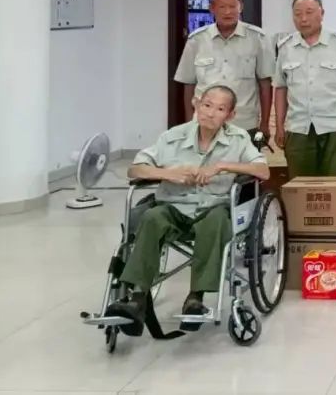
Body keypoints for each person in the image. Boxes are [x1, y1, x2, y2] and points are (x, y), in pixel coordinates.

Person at [106, 85, 269, 334]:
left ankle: (195, 298)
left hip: (212, 209)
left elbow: (262, 171)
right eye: (207, 105)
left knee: (216, 221)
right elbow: (135, 169)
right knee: (151, 217)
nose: (210, 113)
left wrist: (222, 167)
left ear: (230, 115)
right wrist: (168, 174)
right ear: (197, 104)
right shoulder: (173, 136)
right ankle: (137, 300)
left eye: (220, 109)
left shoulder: (238, 139)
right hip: (173, 207)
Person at [273, 0, 336, 176]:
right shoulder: (285, 47)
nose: (303, 19)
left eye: (309, 12)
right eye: (297, 13)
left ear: (322, 13)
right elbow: (281, 88)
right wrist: (279, 125)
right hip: (298, 126)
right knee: (300, 184)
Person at [174, 0, 274, 138]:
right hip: (204, 123)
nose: (228, 12)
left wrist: (265, 123)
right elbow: (188, 84)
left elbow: (265, 84)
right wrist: (189, 123)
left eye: (232, 6)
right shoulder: (197, 40)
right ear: (212, 9)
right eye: (222, 7)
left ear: (241, 7)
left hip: (244, 124)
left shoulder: (257, 38)